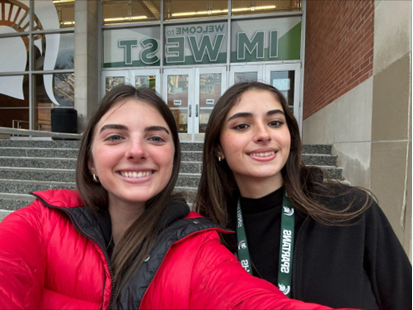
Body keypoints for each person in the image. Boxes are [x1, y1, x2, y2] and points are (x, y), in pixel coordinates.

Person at [0, 85, 336, 309]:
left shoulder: (200, 247)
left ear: (172, 160)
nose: (136, 151)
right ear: (90, 160)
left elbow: (249, 301)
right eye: (116, 136)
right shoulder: (39, 223)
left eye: (155, 138)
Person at [195, 82, 412, 310]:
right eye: (241, 126)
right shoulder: (211, 236)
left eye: (275, 122)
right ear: (218, 147)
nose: (263, 134)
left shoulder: (351, 211)